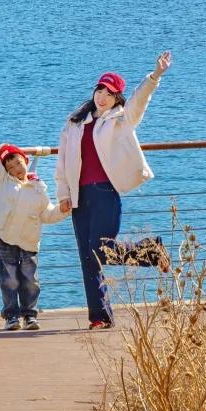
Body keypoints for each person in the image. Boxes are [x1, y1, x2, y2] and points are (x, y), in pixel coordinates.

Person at [56, 51, 172, 330]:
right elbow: (62, 160)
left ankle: (151, 251)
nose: (102, 96)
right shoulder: (75, 123)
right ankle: (99, 316)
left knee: (100, 248)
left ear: (117, 97)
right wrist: (63, 193)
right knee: (88, 257)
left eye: (109, 92)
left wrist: (154, 76)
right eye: (100, 90)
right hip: (79, 198)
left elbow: (139, 102)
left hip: (106, 194)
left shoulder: (122, 119)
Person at [0, 127, 64, 331]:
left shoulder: (39, 187)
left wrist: (63, 210)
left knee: (30, 280)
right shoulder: (0, 181)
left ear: (26, 162)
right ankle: (11, 316)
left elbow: (47, 214)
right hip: (7, 238)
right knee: (10, 280)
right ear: (6, 170)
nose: (16, 168)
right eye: (11, 166)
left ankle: (30, 315)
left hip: (30, 240)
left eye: (19, 162)